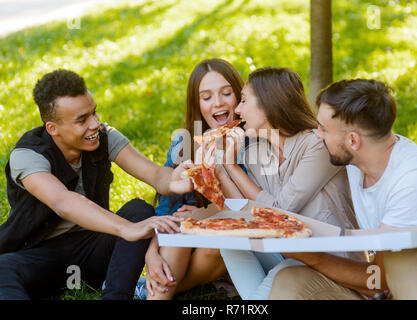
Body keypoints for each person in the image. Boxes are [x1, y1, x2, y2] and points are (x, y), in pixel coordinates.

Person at [0, 69, 192, 300]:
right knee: (2, 269)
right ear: (53, 128)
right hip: (41, 255)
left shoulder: (105, 137)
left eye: (94, 113)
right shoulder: (27, 155)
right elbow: (63, 201)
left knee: (140, 211)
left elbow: (155, 175)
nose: (94, 124)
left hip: (93, 250)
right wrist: (126, 228)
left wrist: (174, 179)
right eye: (82, 120)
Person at [269, 79, 417, 300]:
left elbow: (379, 281)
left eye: (323, 128)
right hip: (386, 288)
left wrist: (311, 256)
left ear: (353, 140)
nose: (317, 134)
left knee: (402, 258)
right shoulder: (357, 164)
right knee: (291, 280)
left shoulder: (416, 178)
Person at [212, 67, 361, 300]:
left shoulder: (316, 145)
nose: (237, 110)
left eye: (243, 100)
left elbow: (281, 212)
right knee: (231, 241)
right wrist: (223, 170)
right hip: (292, 256)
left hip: (334, 267)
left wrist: (233, 168)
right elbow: (244, 216)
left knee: (286, 272)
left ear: (269, 103)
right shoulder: (258, 153)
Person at [144, 58, 245, 300]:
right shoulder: (185, 143)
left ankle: (164, 288)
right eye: (207, 97)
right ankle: (161, 292)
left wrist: (206, 214)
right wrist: (151, 252)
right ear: (197, 104)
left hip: (230, 242)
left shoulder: (254, 140)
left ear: (239, 97)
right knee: (179, 231)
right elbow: (168, 210)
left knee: (221, 242)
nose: (218, 103)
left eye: (226, 93)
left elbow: (253, 209)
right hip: (187, 245)